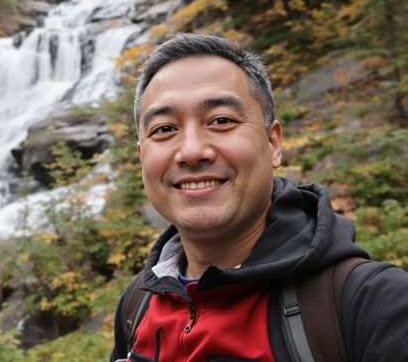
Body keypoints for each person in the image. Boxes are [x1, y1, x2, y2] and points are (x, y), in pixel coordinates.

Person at [110, 33, 408, 362]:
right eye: (164, 129)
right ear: (142, 156)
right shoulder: (138, 304)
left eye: (221, 121)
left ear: (273, 143)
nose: (192, 151)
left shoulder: (375, 305)